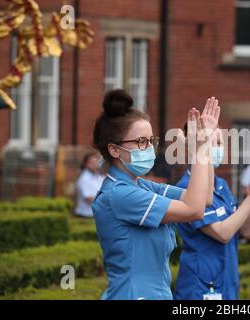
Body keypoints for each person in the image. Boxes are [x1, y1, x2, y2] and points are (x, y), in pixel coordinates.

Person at [91, 90, 220, 300]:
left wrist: (205, 147)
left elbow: (204, 198)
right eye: (141, 142)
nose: (150, 148)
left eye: (151, 141)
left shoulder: (142, 186)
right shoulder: (119, 195)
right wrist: (199, 149)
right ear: (114, 150)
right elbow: (194, 210)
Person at [174, 127, 250, 300]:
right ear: (195, 146)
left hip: (228, 281)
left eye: (220, 142)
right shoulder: (187, 188)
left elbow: (244, 230)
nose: (217, 148)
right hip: (202, 285)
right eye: (211, 142)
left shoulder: (221, 183)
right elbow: (223, 233)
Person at [75, 152, 105, 218]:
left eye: (96, 162)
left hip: (95, 214)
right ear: (86, 164)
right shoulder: (84, 178)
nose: (95, 164)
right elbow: (89, 198)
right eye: (92, 162)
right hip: (86, 216)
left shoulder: (98, 176)